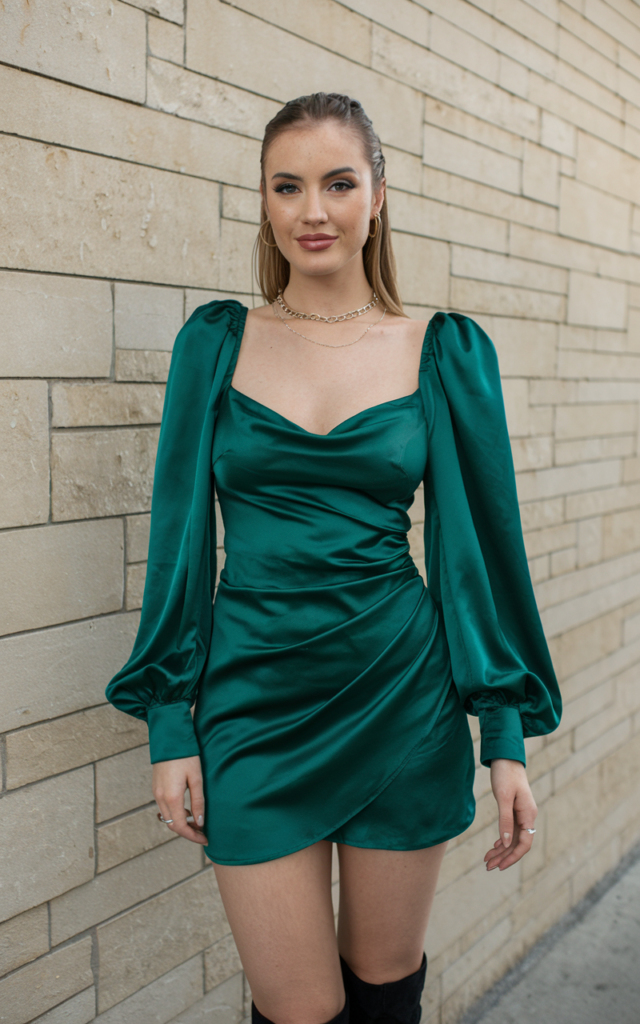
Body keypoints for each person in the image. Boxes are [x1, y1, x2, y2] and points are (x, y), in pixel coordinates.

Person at [106, 92, 562, 1024]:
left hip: (401, 696)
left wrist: (503, 738)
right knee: (296, 1012)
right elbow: (177, 546)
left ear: (378, 195)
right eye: (289, 185)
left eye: (338, 182)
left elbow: (478, 552)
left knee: (385, 997)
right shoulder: (217, 345)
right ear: (266, 203)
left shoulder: (440, 351)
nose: (313, 210)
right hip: (252, 705)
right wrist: (170, 722)